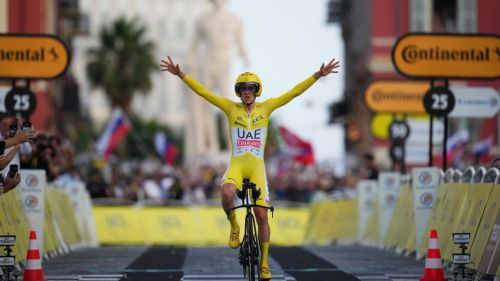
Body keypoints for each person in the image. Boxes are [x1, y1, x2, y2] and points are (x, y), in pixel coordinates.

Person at [160, 56, 340, 280]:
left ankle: (264, 263)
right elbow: (204, 93)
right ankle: (234, 225)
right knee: (226, 192)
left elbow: (294, 92)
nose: (247, 91)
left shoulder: (266, 108)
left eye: (251, 88)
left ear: (257, 91)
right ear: (238, 91)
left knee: (261, 217)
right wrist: (181, 74)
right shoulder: (229, 107)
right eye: (243, 88)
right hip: (237, 166)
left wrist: (317, 75)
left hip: (257, 169)